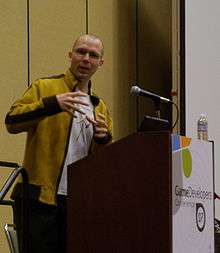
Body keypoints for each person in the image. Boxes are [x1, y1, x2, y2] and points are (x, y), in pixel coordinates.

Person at [5, 34, 113, 253]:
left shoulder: (99, 106)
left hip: (78, 202)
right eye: (81, 52)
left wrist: (103, 138)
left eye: (93, 55)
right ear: (70, 55)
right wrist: (52, 104)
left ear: (100, 63)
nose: (86, 59)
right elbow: (12, 121)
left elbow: (105, 162)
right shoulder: (45, 87)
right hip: (39, 200)